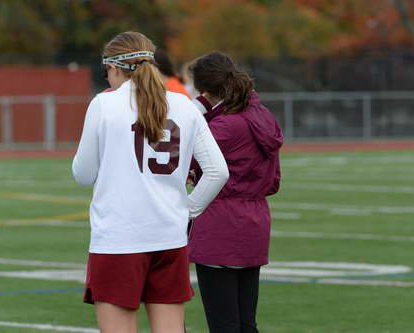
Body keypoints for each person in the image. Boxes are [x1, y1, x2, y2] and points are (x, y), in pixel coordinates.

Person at [72, 32, 229, 333]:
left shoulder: (104, 104)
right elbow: (217, 172)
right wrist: (188, 211)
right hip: (169, 236)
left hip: (119, 238)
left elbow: (83, 174)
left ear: (114, 67)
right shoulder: (184, 105)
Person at [188, 51, 283, 333]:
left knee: (223, 324)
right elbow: (274, 180)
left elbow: (185, 161)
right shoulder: (261, 115)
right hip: (255, 219)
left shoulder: (224, 126)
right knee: (245, 323)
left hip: (219, 223)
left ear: (205, 89)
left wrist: (197, 112)